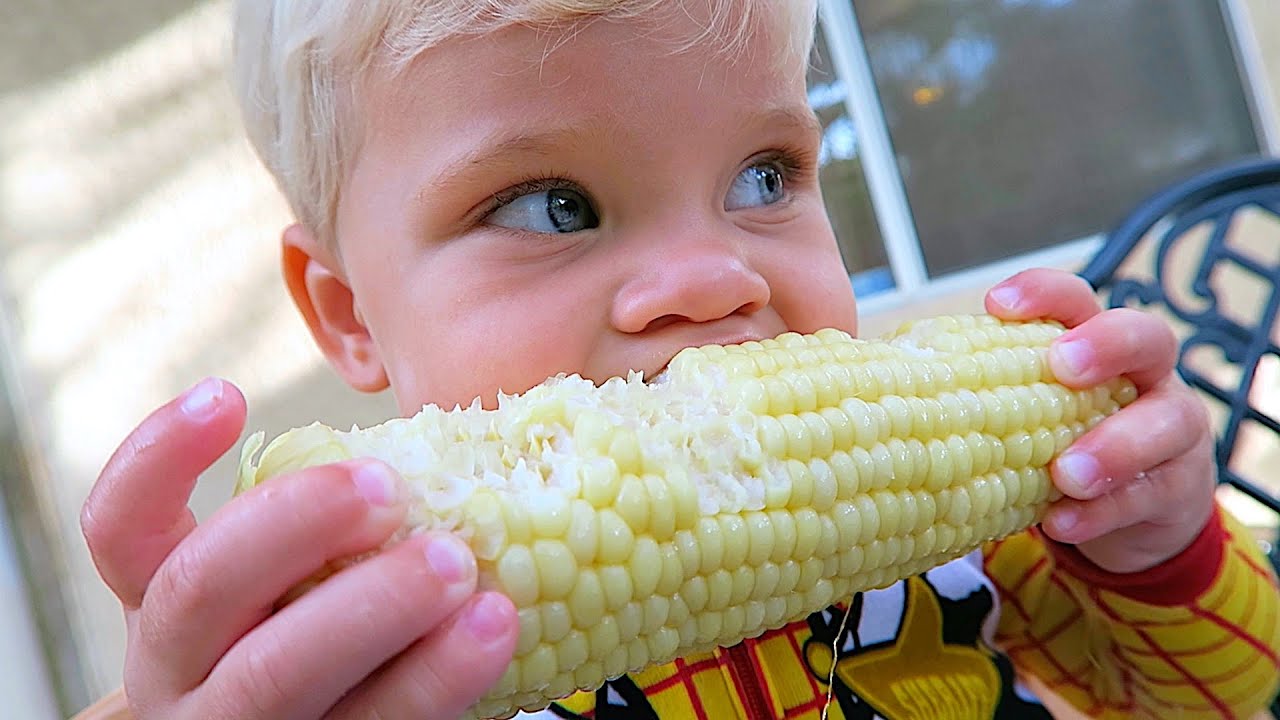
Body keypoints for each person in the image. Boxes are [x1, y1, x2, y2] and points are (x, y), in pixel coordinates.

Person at [79, 1, 1280, 718]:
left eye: (765, 178)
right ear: (349, 314)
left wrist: (1155, 551)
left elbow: (1216, 694)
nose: (716, 279)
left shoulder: (978, 544)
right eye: (552, 205)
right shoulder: (365, 670)